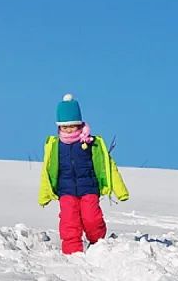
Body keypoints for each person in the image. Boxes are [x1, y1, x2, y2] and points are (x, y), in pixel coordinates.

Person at [38, 94, 129, 254]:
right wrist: (44, 194)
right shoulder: (55, 145)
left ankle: (98, 244)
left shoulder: (91, 143)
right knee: (69, 222)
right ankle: (73, 253)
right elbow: (47, 171)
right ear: (59, 127)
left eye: (72, 126)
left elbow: (109, 166)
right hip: (66, 191)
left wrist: (120, 191)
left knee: (91, 219)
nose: (68, 129)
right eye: (64, 127)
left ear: (79, 124)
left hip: (89, 189)